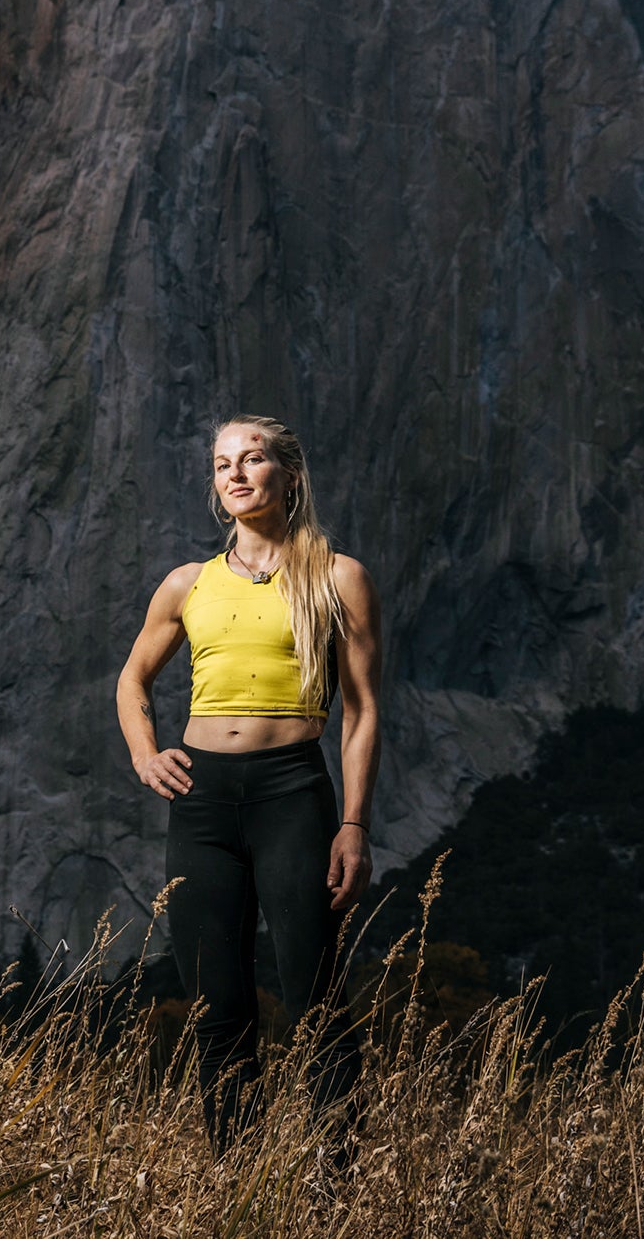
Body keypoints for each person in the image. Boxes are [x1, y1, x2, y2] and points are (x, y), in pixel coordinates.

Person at [116, 413, 381, 1152]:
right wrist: (146, 752)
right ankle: (236, 1186)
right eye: (223, 463)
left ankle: (339, 1190)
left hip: (291, 793)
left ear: (287, 476)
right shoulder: (186, 584)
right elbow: (133, 678)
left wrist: (353, 825)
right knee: (217, 1003)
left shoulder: (337, 577)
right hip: (201, 804)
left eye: (252, 459)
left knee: (313, 994)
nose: (234, 473)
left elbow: (361, 712)